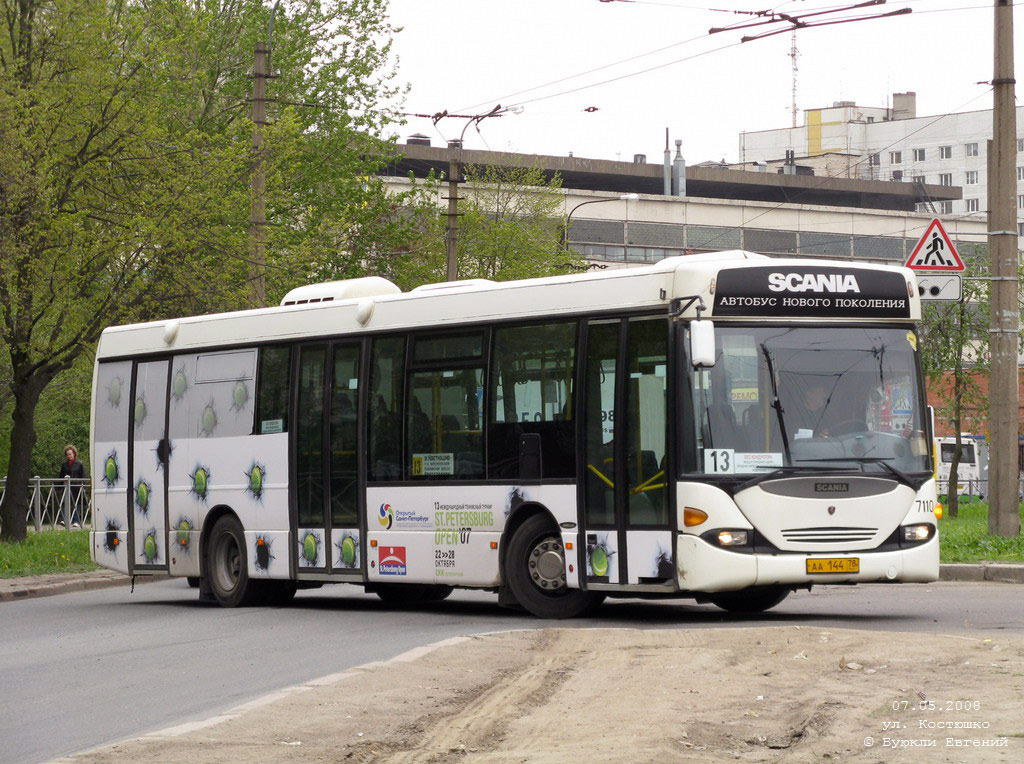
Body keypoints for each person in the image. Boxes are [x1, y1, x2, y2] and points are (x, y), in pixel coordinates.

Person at [59, 445, 86, 528]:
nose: (69, 456)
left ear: (74, 454)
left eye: (70, 454)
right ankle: (65, 519)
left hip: (77, 486)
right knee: (65, 503)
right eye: (67, 454)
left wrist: (84, 487)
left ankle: (76, 521)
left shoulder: (79, 464)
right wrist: (59, 486)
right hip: (67, 486)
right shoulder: (64, 465)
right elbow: (61, 475)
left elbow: (83, 475)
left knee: (76, 504)